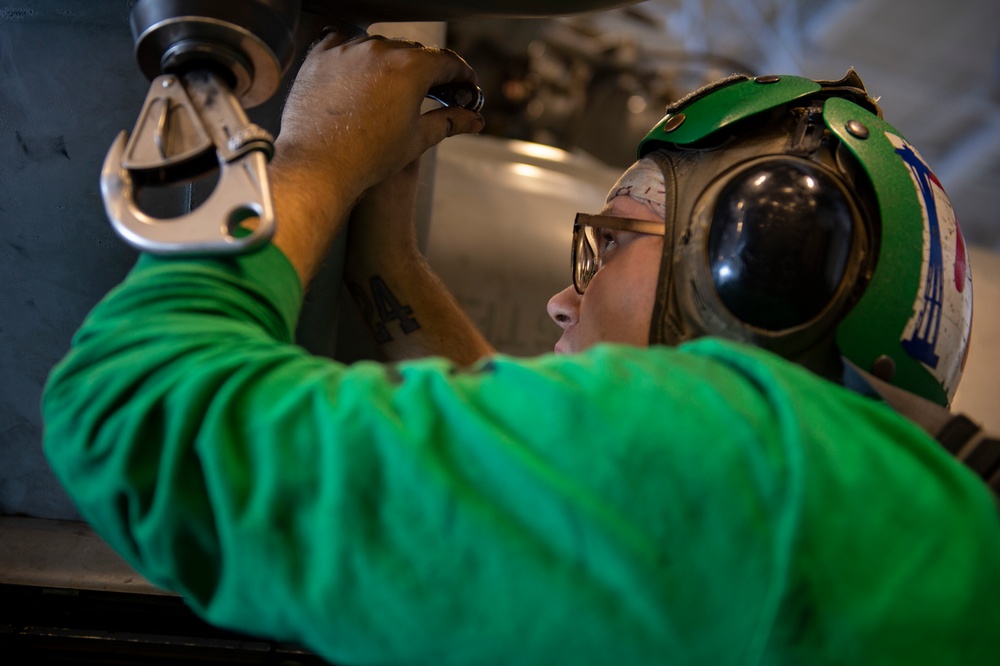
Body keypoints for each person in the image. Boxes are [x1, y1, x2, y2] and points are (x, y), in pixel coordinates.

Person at [42, 28, 999, 666]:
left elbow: (136, 409)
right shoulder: (881, 510)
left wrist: (313, 158)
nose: (558, 298)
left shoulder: (757, 472)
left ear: (759, 271)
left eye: (614, 236)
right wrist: (391, 260)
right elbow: (566, 511)